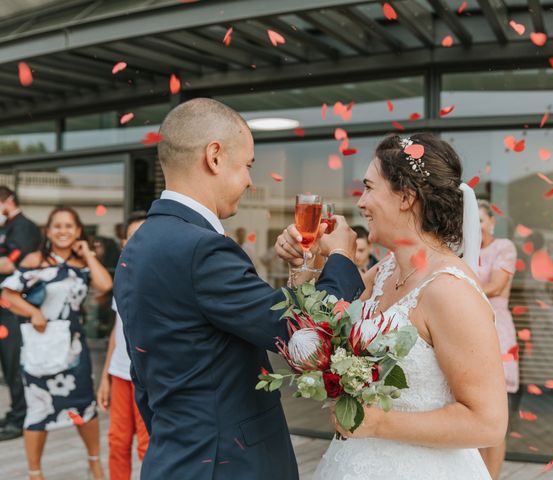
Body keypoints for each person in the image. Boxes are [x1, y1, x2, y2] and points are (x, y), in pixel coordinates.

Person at [113, 98, 364, 479]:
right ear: (214, 157)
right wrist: (342, 258)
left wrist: (304, 267)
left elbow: (144, 374)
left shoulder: (140, 243)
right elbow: (302, 335)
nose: (249, 180)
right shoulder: (201, 248)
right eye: (247, 165)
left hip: (175, 455)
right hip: (227, 464)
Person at [278, 133, 507, 479]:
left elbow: (488, 422)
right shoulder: (385, 270)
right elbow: (315, 335)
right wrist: (305, 264)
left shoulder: (449, 291)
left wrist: (379, 423)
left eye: (369, 188)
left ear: (406, 197)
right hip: (355, 461)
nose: (361, 203)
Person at [1, 206, 113, 480]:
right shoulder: (36, 261)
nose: (63, 231)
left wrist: (86, 253)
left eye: (69, 226)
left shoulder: (82, 265)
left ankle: (94, 462)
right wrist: (34, 312)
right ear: (48, 231)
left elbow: (105, 285)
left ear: (77, 232)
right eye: (57, 226)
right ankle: (35, 472)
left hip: (73, 351)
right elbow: (7, 295)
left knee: (84, 408)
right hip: (41, 349)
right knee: (37, 413)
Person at [97, 211, 149, 480]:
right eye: (131, 237)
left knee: (147, 444)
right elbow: (118, 332)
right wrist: (105, 376)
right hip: (119, 373)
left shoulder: (161, 280)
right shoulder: (123, 277)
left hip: (146, 376)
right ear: (124, 243)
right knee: (117, 442)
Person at [476, 200, 520, 480]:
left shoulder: (504, 247)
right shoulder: (461, 251)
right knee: (473, 403)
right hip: (468, 326)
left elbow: (496, 285)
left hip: (496, 327)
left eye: (481, 220)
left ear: (492, 222)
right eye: (473, 221)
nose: (477, 227)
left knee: (495, 408)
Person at [0, 186, 42, 442]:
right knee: (7, 364)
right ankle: (15, 412)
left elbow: (9, 263)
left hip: (16, 309)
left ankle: (21, 417)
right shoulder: (7, 228)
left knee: (15, 364)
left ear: (8, 200)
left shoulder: (24, 227)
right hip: (4, 307)